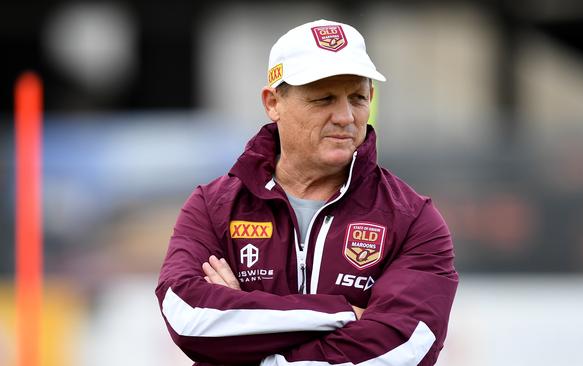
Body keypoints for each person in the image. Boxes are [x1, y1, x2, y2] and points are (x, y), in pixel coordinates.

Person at [156, 19, 458, 366]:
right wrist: (342, 313)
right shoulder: (213, 207)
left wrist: (246, 323)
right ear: (273, 103)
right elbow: (189, 317)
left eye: (358, 98)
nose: (345, 116)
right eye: (323, 98)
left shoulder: (413, 220)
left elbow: (407, 346)